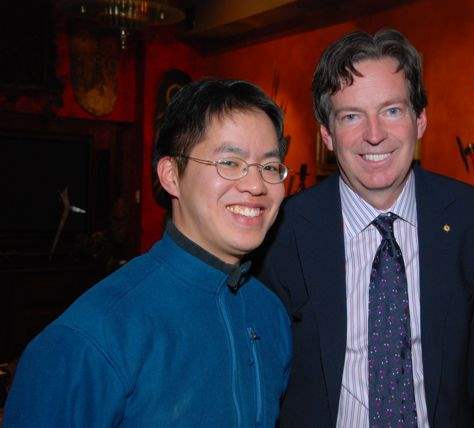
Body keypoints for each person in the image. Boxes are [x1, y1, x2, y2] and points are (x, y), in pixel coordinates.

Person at [4, 79, 292, 426]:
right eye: (230, 162)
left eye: (270, 167)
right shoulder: (90, 337)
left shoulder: (270, 313)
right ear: (171, 176)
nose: (257, 185)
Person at [257, 29, 474, 427]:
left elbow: (472, 359)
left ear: (420, 120)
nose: (374, 135)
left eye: (391, 110)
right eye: (351, 116)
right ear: (327, 135)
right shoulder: (281, 232)